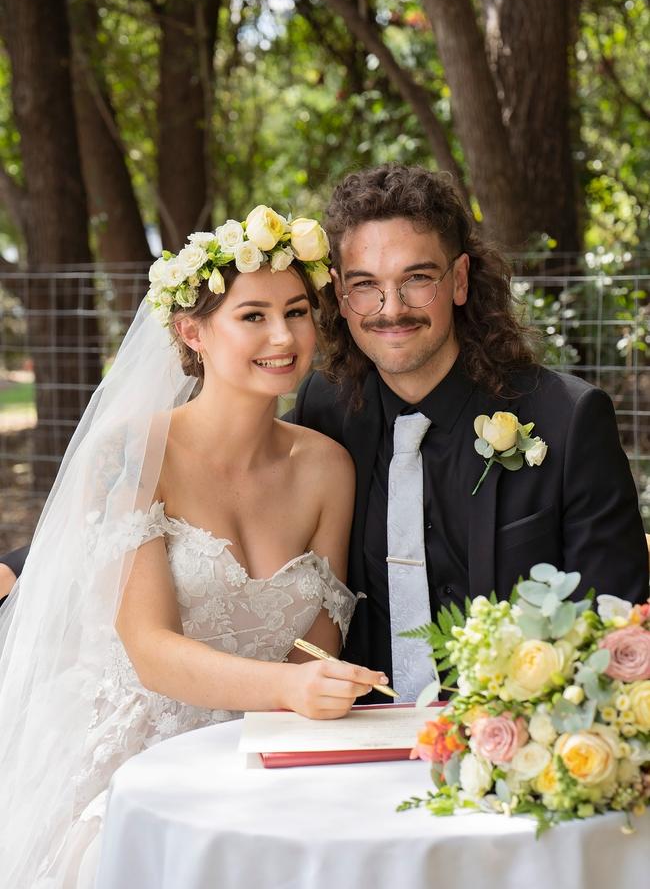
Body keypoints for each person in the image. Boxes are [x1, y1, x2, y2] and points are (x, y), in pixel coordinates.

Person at [0, 205, 384, 889]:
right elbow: (149, 647)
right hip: (139, 746)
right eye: (253, 315)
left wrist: (306, 696)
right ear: (191, 331)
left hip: (270, 744)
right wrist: (289, 689)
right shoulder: (129, 454)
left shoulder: (329, 467)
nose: (284, 335)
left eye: (297, 311)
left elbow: (320, 636)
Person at [291, 163, 649, 701]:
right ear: (341, 296)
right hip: (358, 737)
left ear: (459, 280)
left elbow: (618, 630)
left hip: (514, 748)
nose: (392, 310)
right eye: (366, 286)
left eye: (417, 279)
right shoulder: (324, 409)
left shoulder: (569, 421)